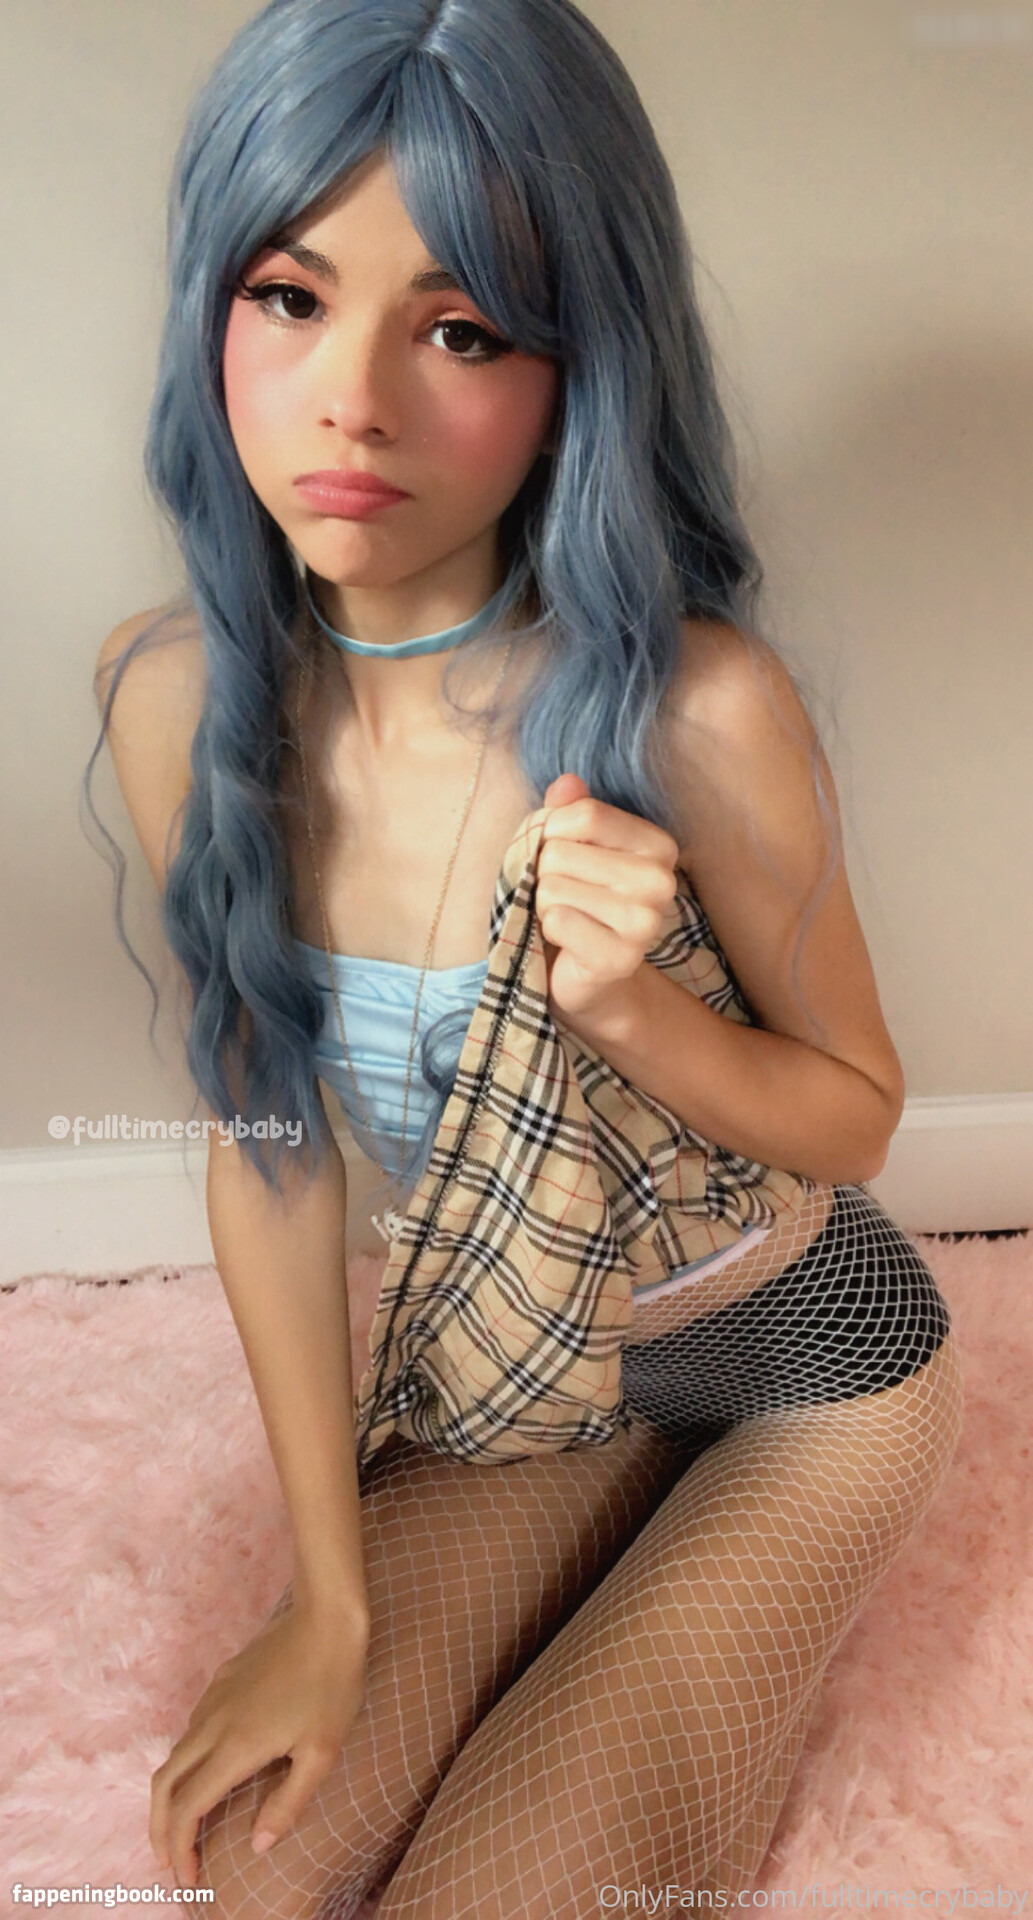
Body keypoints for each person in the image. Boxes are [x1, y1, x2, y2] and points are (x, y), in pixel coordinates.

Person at [86, 0, 964, 1910]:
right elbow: (268, 1139)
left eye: (463, 329)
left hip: (804, 1358)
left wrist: (629, 1005)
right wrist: (326, 1597)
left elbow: (852, 1120)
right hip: (520, 1371)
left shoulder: (692, 711)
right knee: (255, 1877)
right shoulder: (174, 704)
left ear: (578, 369)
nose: (353, 402)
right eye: (289, 297)